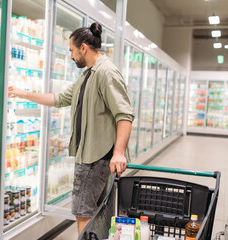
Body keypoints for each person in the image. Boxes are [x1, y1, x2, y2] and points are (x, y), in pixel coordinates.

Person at [8, 22, 134, 235]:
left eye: (72, 51)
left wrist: (119, 153)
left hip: (97, 156)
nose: (71, 56)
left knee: (83, 211)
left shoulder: (106, 73)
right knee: (96, 210)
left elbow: (125, 115)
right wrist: (23, 94)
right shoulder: (87, 75)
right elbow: (58, 98)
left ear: (83, 48)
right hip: (93, 154)